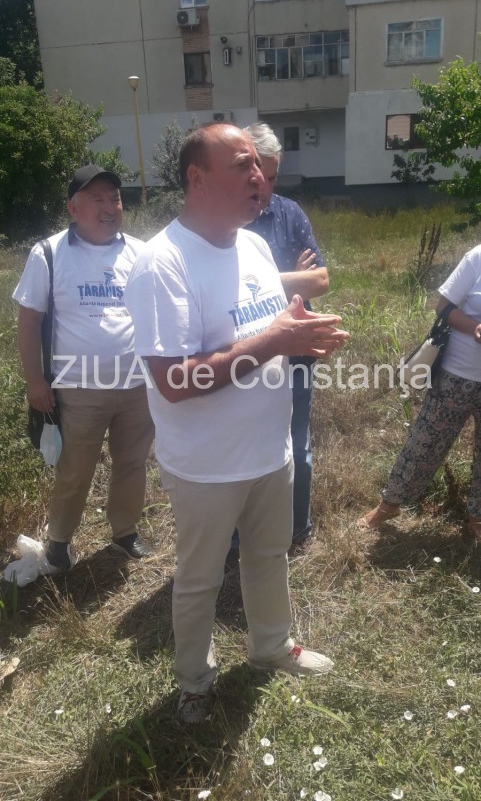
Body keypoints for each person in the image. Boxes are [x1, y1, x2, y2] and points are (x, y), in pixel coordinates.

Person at [125, 123, 349, 723]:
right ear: (197, 179)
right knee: (199, 578)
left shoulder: (252, 247)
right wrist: (277, 340)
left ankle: (271, 646)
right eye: (242, 165)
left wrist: (298, 334)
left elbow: (263, 331)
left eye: (259, 165)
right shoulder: (162, 263)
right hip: (206, 465)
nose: (259, 176)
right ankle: (195, 682)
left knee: (268, 555)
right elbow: (175, 381)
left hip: (270, 448)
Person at [13, 164, 155, 571]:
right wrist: (35, 381)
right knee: (75, 470)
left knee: (132, 463)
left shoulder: (141, 253)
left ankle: (125, 531)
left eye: (115, 198)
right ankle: (59, 542)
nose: (110, 207)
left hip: (137, 385)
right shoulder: (49, 253)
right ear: (73, 208)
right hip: (77, 387)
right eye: (98, 199)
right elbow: (29, 321)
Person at [243, 122, 329, 549]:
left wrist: (257, 283)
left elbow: (321, 281)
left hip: (295, 353)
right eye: (259, 174)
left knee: (298, 440)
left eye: (273, 177)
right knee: (245, 445)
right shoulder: (225, 222)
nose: (265, 186)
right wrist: (290, 277)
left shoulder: (289, 213)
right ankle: (245, 537)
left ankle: (298, 529)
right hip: (244, 356)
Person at [358, 244, 481, 540]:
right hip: (458, 375)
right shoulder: (477, 258)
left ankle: (477, 518)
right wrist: (476, 327)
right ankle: (389, 505)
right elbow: (444, 307)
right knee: (425, 442)